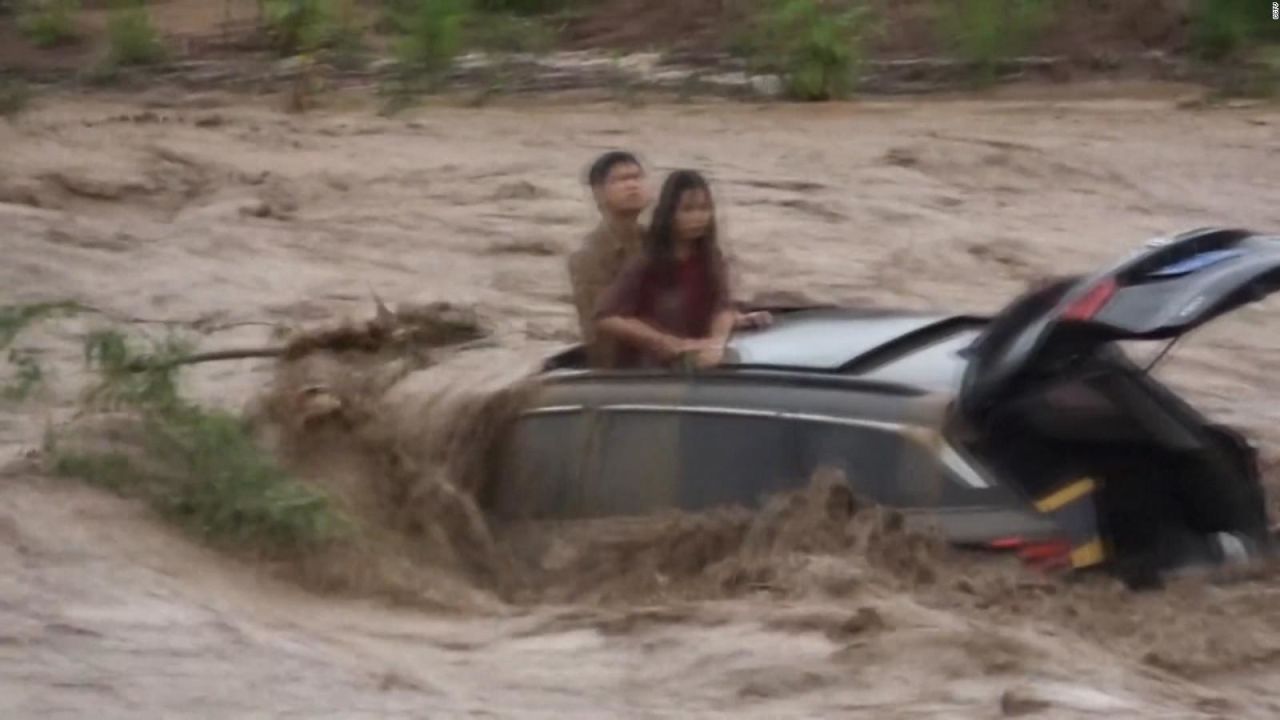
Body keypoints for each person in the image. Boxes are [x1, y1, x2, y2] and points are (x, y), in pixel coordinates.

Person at [594, 169, 753, 370]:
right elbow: (607, 318)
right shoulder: (647, 262)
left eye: (704, 208)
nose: (698, 217)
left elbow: (722, 308)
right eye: (687, 209)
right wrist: (665, 342)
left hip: (698, 364)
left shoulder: (710, 258)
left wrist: (717, 343)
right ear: (669, 213)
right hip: (649, 374)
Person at [567, 150, 651, 368]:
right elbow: (605, 323)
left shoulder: (655, 242)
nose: (633, 185)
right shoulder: (589, 256)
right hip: (618, 368)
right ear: (598, 193)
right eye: (621, 180)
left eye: (637, 177)